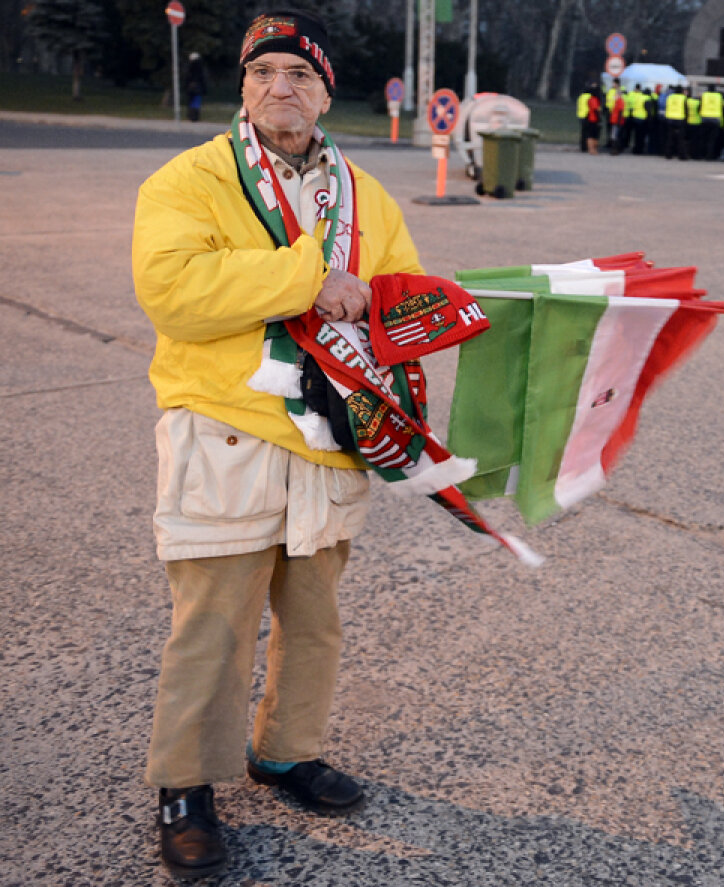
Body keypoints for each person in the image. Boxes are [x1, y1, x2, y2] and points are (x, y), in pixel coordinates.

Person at [132, 10, 427, 878]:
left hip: (331, 434)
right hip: (227, 430)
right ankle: (183, 785)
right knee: (212, 625)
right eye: (260, 73)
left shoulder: (368, 193)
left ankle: (286, 751)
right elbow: (174, 290)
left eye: (297, 74)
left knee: (314, 619)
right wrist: (310, 277)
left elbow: (398, 292)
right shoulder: (187, 179)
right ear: (243, 89)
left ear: (326, 92)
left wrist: (392, 312)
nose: (276, 88)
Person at [663, 85, 689, 160]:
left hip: (670, 118)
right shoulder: (683, 97)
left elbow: (666, 106)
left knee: (670, 137)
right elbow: (686, 109)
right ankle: (682, 155)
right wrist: (686, 120)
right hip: (680, 119)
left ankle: (668, 154)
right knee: (680, 138)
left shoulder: (670, 97)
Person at [184, 52, 207, 122]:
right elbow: (202, 79)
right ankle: (195, 116)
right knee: (196, 103)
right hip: (198, 88)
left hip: (190, 88)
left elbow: (187, 78)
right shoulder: (200, 68)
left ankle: (191, 116)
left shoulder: (189, 68)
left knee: (191, 102)